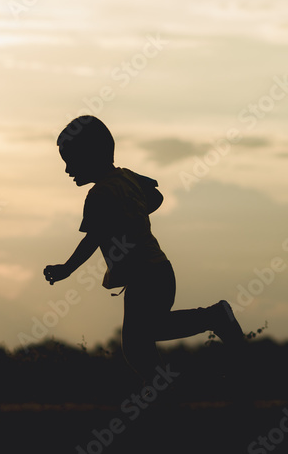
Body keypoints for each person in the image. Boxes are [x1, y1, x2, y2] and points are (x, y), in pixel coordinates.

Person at [44, 115, 244, 382]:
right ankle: (163, 386)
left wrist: (66, 269)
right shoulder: (126, 179)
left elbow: (92, 239)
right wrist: (132, 209)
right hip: (158, 270)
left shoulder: (99, 195)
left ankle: (213, 318)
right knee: (140, 341)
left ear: (91, 156)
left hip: (144, 277)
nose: (68, 170)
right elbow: (156, 196)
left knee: (140, 340)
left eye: (71, 161)